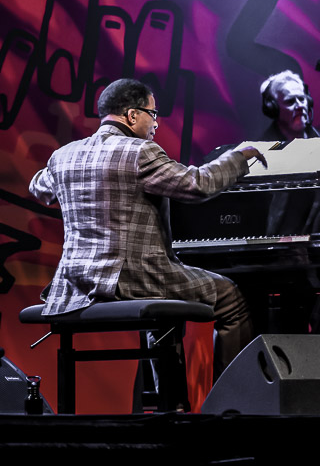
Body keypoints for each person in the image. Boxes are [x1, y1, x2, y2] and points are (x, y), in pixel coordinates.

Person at [28, 78, 266, 378]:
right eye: (153, 114)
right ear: (132, 115)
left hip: (76, 282)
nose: (156, 122)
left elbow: (39, 186)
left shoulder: (62, 157)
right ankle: (231, 405)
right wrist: (237, 158)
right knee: (231, 298)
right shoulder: (141, 152)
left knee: (165, 310)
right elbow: (198, 185)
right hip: (131, 275)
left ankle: (174, 405)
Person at [259, 70, 319, 142]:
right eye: (290, 101)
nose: (300, 106)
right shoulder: (263, 150)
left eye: (301, 99)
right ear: (273, 109)